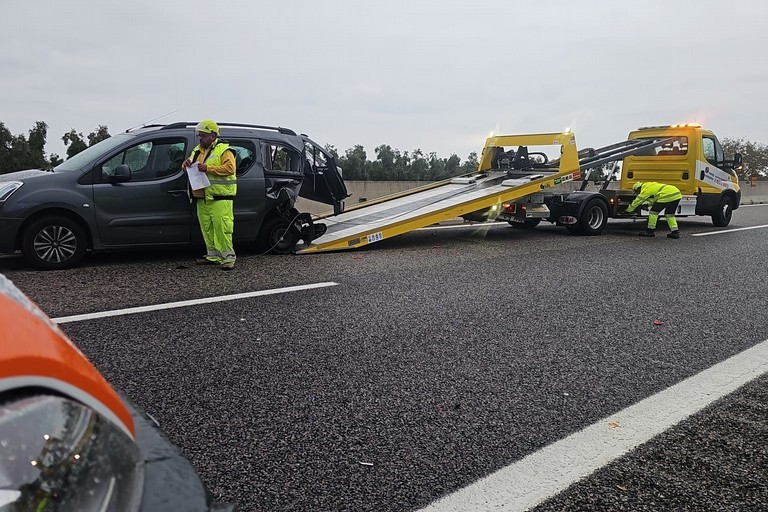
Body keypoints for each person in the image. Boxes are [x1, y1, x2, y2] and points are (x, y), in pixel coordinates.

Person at [182, 120, 238, 270]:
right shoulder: (197, 150)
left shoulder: (224, 149)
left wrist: (208, 168)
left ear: (213, 136)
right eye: (199, 135)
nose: (200, 138)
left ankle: (228, 258)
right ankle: (213, 256)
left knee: (222, 228)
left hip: (220, 198)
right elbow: (189, 164)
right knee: (207, 228)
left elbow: (230, 168)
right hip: (202, 197)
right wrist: (186, 164)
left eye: (203, 135)